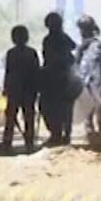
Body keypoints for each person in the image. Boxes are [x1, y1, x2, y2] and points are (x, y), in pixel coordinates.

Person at [0, 25, 40, 153]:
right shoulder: (31, 53)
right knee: (28, 116)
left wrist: (5, 88)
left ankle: (7, 141)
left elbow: (8, 73)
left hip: (14, 90)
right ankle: (29, 141)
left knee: (10, 117)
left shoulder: (11, 53)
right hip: (29, 90)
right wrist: (37, 89)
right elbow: (36, 72)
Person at [38, 12, 76, 147]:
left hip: (54, 77)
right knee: (64, 108)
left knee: (51, 107)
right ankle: (63, 135)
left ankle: (57, 134)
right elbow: (73, 47)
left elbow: (50, 59)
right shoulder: (63, 38)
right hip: (62, 77)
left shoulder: (49, 40)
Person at [74, 16, 101, 139]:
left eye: (84, 28)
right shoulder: (81, 46)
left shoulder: (99, 43)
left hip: (96, 77)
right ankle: (89, 128)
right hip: (84, 78)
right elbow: (76, 62)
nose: (82, 32)